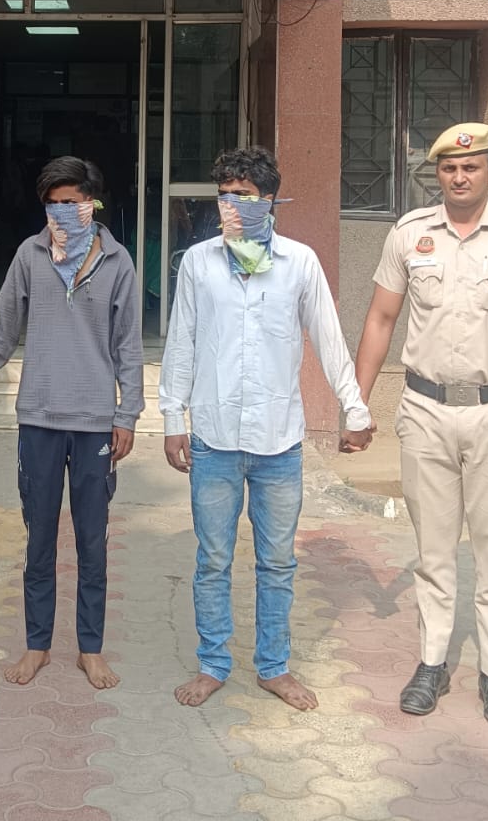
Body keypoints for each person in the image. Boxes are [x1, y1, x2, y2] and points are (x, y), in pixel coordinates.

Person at [354, 123, 488, 729]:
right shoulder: (409, 234)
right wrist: (356, 404)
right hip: (425, 412)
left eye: (471, 167)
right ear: (438, 175)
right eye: (449, 168)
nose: (459, 177)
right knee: (433, 551)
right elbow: (380, 320)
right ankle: (432, 663)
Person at [159, 146, 374, 711]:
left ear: (271, 200)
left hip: (279, 441)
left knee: (277, 563)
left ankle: (274, 666)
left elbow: (328, 337)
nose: (233, 205)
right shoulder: (199, 263)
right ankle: (213, 663)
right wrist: (172, 418)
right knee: (213, 561)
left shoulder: (299, 263)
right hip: (213, 438)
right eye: (225, 196)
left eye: (246, 196)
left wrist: (354, 409)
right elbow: (181, 342)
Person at [0, 156, 144, 690]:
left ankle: (90, 649)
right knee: (39, 542)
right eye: (52, 204)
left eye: (71, 202)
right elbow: (0, 330)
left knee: (93, 543)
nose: (61, 213)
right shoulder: (30, 256)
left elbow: (128, 346)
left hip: (96, 423)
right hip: (39, 420)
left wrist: (128, 413)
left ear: (92, 203)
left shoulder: (118, 261)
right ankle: (37, 645)